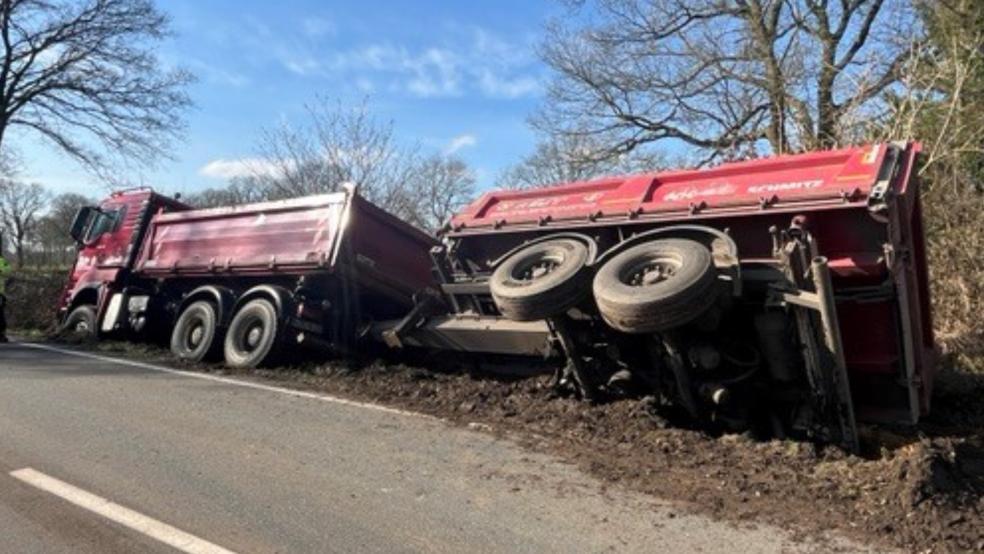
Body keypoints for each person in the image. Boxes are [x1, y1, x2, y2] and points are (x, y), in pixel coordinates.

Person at [0, 245, 9, 342]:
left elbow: (8, 269)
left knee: (0, 313)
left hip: (0, 293)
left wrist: (2, 270)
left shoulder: (1, 261)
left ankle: (1, 334)